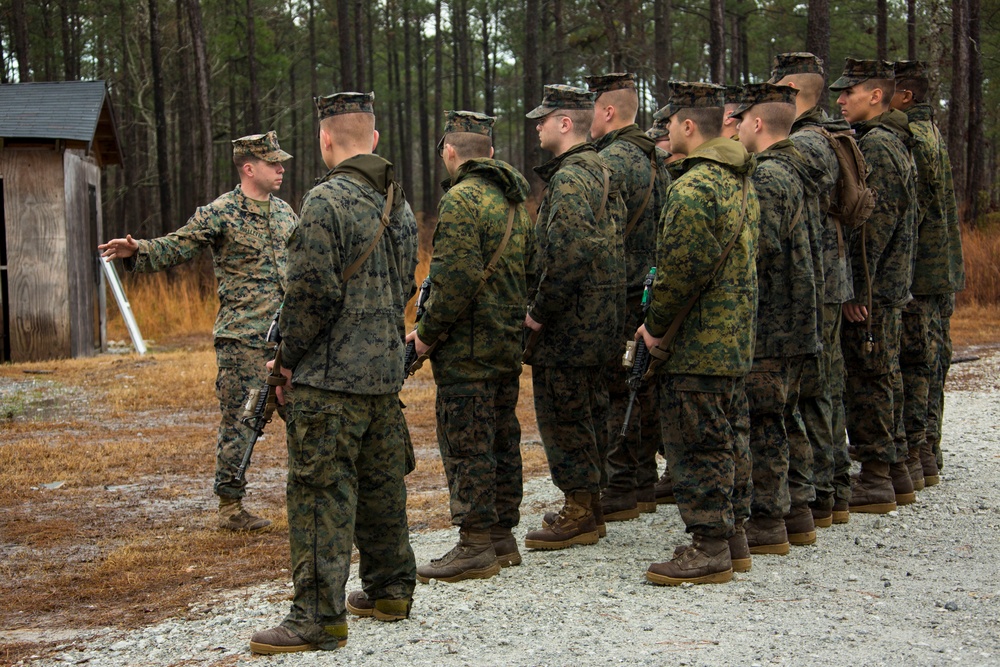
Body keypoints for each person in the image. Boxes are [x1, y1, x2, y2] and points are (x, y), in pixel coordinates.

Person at [249, 91, 418, 654]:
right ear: (371, 138)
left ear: (325, 139)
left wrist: (285, 361)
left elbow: (310, 295)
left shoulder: (324, 202)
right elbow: (407, 289)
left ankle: (317, 618)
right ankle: (391, 589)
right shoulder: (400, 204)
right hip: (384, 377)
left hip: (329, 381)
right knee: (380, 485)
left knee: (321, 492)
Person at [98, 131, 296, 532]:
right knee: (241, 421)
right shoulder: (220, 212)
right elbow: (180, 245)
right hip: (243, 339)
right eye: (273, 163)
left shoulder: (287, 213)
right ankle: (230, 505)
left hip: (289, 338)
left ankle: (310, 499)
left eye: (281, 162)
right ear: (249, 168)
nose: (281, 168)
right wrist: (140, 251)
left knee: (305, 417)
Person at [637, 82, 759, 585]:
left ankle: (709, 545)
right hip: (733, 338)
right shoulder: (740, 180)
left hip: (697, 343)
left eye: (669, 123)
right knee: (730, 435)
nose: (665, 131)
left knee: (698, 441)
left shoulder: (693, 187)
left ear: (688, 126)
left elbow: (678, 271)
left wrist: (653, 329)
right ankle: (733, 537)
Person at [408, 111, 533, 583]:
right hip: (504, 343)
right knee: (502, 436)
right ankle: (501, 536)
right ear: (491, 152)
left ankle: (476, 543)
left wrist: (424, 333)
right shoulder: (515, 202)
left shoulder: (462, 201)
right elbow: (532, 268)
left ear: (450, 152)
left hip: (468, 351)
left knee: (467, 444)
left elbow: (453, 280)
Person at [522, 84, 626, 550]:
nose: (538, 126)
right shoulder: (602, 168)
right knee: (590, 411)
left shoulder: (569, 178)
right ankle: (591, 504)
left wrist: (539, 314)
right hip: (601, 316)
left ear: (566, 123)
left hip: (570, 323)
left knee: (565, 416)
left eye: (544, 118)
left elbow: (567, 255)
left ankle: (580, 509)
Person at [731, 83, 823, 554]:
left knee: (764, 420)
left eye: (741, 119)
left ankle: (768, 518)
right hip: (797, 318)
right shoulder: (799, 168)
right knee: (785, 415)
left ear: (758, 122)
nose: (736, 127)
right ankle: (798, 509)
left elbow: (758, 249)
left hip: (772, 321)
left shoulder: (768, 176)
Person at [770, 52, 856, 527]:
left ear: (793, 92)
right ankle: (827, 488)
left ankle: (823, 488)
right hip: (823, 278)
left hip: (817, 281)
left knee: (815, 387)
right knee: (820, 385)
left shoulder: (808, 143)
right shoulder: (821, 137)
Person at [830, 59, 918, 513]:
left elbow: (872, 229)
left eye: (850, 92)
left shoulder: (880, 146)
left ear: (877, 95)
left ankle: (878, 476)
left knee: (869, 379)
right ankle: (895, 469)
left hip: (875, 291)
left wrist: (854, 290)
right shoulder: (888, 140)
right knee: (881, 373)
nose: (841, 100)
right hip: (885, 286)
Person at [585, 72, 671, 522]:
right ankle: (639, 481)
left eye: (593, 109)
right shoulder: (658, 157)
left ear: (608, 111)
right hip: (650, 291)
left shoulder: (611, 161)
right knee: (643, 386)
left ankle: (620, 484)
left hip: (617, 294)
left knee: (617, 390)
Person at [890, 60, 966, 488]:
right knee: (931, 361)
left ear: (906, 96)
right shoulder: (929, 131)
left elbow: (913, 211)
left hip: (921, 272)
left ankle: (919, 452)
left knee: (918, 362)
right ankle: (927, 451)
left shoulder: (915, 137)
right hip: (937, 271)